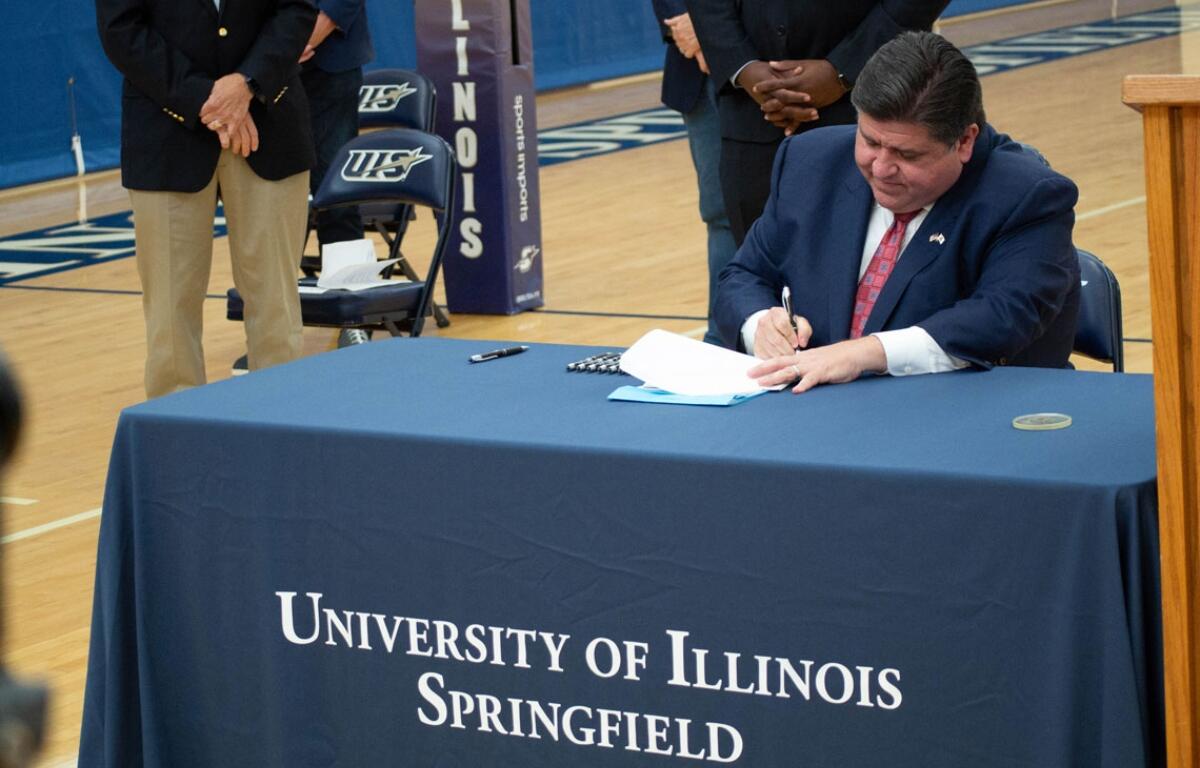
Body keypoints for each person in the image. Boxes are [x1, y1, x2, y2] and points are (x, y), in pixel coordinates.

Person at [714, 31, 1080, 394]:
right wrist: (761, 323)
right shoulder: (810, 161)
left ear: (965, 141)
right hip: (816, 416)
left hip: (972, 420)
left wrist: (864, 353)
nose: (882, 168)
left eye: (907, 155)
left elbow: (1001, 316)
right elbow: (744, 275)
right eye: (870, 142)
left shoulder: (1028, 196)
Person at [96, 0, 317, 399]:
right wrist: (205, 97)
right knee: (169, 309)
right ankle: (176, 442)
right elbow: (121, 29)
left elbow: (298, 9)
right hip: (166, 130)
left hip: (269, 123)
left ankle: (284, 429)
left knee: (275, 305)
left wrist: (247, 83)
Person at [686, 0, 949, 245]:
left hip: (873, 103)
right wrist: (743, 67)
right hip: (752, 112)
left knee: (880, 275)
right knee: (760, 275)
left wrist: (844, 69)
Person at [651, 0, 737, 345]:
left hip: (784, 54)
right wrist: (688, 24)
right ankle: (723, 340)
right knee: (722, 213)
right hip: (699, 70)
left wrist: (714, 29)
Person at [299, 0, 374, 248]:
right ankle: (272, 285)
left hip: (329, 62)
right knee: (270, 193)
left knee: (336, 187)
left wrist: (305, 39)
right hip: (261, 61)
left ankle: (346, 281)